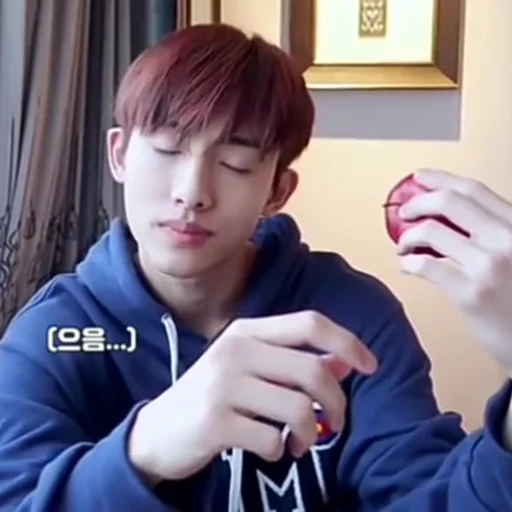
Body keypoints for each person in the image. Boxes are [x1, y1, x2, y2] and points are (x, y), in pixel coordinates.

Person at [0, 22, 511, 512]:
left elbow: (429, 497)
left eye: (235, 165)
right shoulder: (53, 335)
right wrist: (146, 447)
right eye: (167, 149)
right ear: (120, 156)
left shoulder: (353, 319)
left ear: (277, 191)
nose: (192, 193)